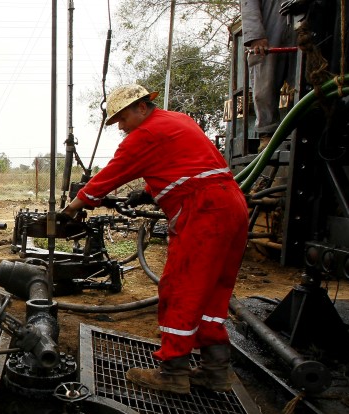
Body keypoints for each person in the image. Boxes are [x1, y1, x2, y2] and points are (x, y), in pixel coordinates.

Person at [60, 84, 249, 395]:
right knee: (214, 289)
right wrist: (145, 193)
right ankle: (216, 371)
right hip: (232, 205)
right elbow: (185, 164)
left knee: (181, 287)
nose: (120, 127)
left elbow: (110, 175)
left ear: (141, 107)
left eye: (122, 118)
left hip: (203, 211)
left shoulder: (144, 135)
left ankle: (173, 371)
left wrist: (73, 208)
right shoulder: (179, 120)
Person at [241, 0, 295, 152]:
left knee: (301, 80)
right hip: (270, 25)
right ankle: (267, 133)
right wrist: (255, 35)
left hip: (302, 22)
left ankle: (300, 126)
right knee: (265, 79)